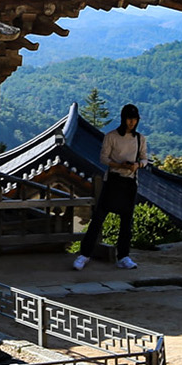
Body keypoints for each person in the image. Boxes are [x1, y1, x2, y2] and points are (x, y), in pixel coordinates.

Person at [72, 103, 147, 270]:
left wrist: (137, 165)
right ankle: (84, 254)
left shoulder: (140, 138)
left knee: (126, 221)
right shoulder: (111, 136)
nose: (131, 123)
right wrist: (119, 165)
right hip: (113, 179)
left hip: (130, 181)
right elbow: (103, 158)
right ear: (123, 119)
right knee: (98, 218)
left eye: (134, 119)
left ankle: (124, 256)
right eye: (129, 119)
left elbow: (144, 159)